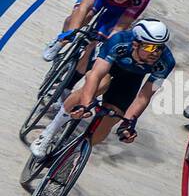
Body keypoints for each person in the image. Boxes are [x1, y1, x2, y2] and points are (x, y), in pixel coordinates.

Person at [30, 19, 175, 160]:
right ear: (136, 44)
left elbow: (144, 96)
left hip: (131, 78)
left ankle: (73, 157)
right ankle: (48, 134)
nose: (155, 53)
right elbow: (95, 75)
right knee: (100, 85)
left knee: (112, 119)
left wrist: (128, 123)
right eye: (150, 47)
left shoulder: (166, 62)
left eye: (160, 47)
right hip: (107, 67)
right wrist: (85, 104)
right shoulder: (119, 41)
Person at [41, 0, 150, 69]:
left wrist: (107, 43)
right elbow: (84, 6)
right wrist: (71, 33)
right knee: (80, 17)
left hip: (120, 11)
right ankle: (60, 42)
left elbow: (121, 26)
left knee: (100, 39)